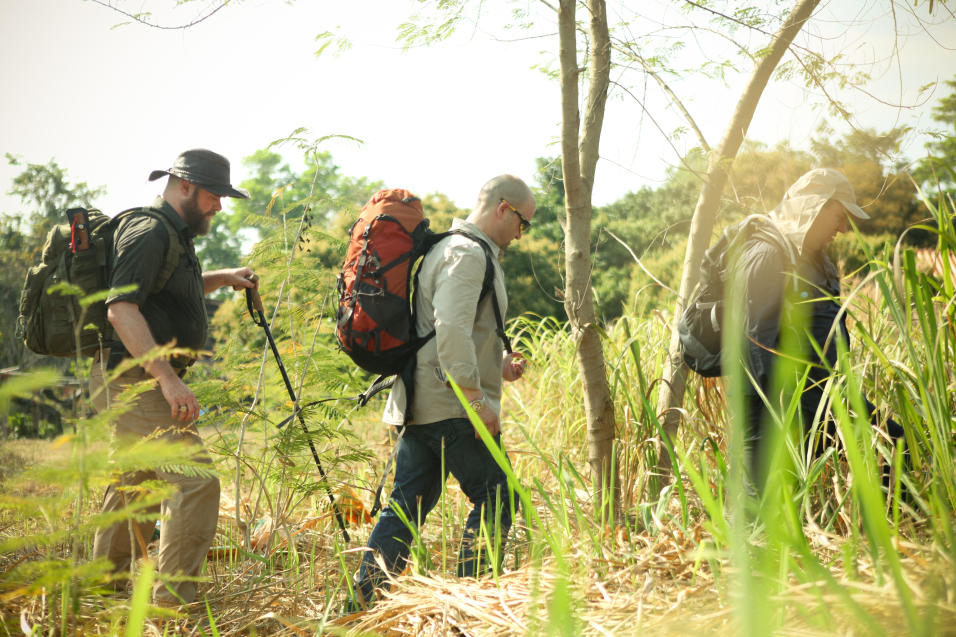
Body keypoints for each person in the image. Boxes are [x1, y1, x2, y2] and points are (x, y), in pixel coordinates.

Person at [351, 175, 534, 607]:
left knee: (405, 509)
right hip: (452, 406)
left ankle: (361, 606)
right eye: (523, 223)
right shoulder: (466, 254)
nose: (521, 234)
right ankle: (469, 606)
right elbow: (450, 328)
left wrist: (499, 365)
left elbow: (451, 331)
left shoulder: (448, 248)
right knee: (498, 494)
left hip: (422, 403)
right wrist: (476, 400)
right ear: (503, 208)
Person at [90, 148, 257, 606]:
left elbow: (163, 289)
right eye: (213, 196)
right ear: (185, 186)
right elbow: (121, 309)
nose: (219, 206)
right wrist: (166, 377)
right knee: (195, 480)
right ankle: (174, 604)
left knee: (136, 484)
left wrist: (221, 277)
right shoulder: (148, 231)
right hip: (135, 379)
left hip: (133, 377)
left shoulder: (174, 235)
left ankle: (102, 590)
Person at [730, 168, 905, 489]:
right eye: (839, 216)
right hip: (774, 405)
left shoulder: (817, 259)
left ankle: (886, 534)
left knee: (892, 442)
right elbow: (754, 342)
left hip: (823, 390)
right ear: (812, 207)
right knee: (760, 504)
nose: (843, 227)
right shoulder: (766, 253)